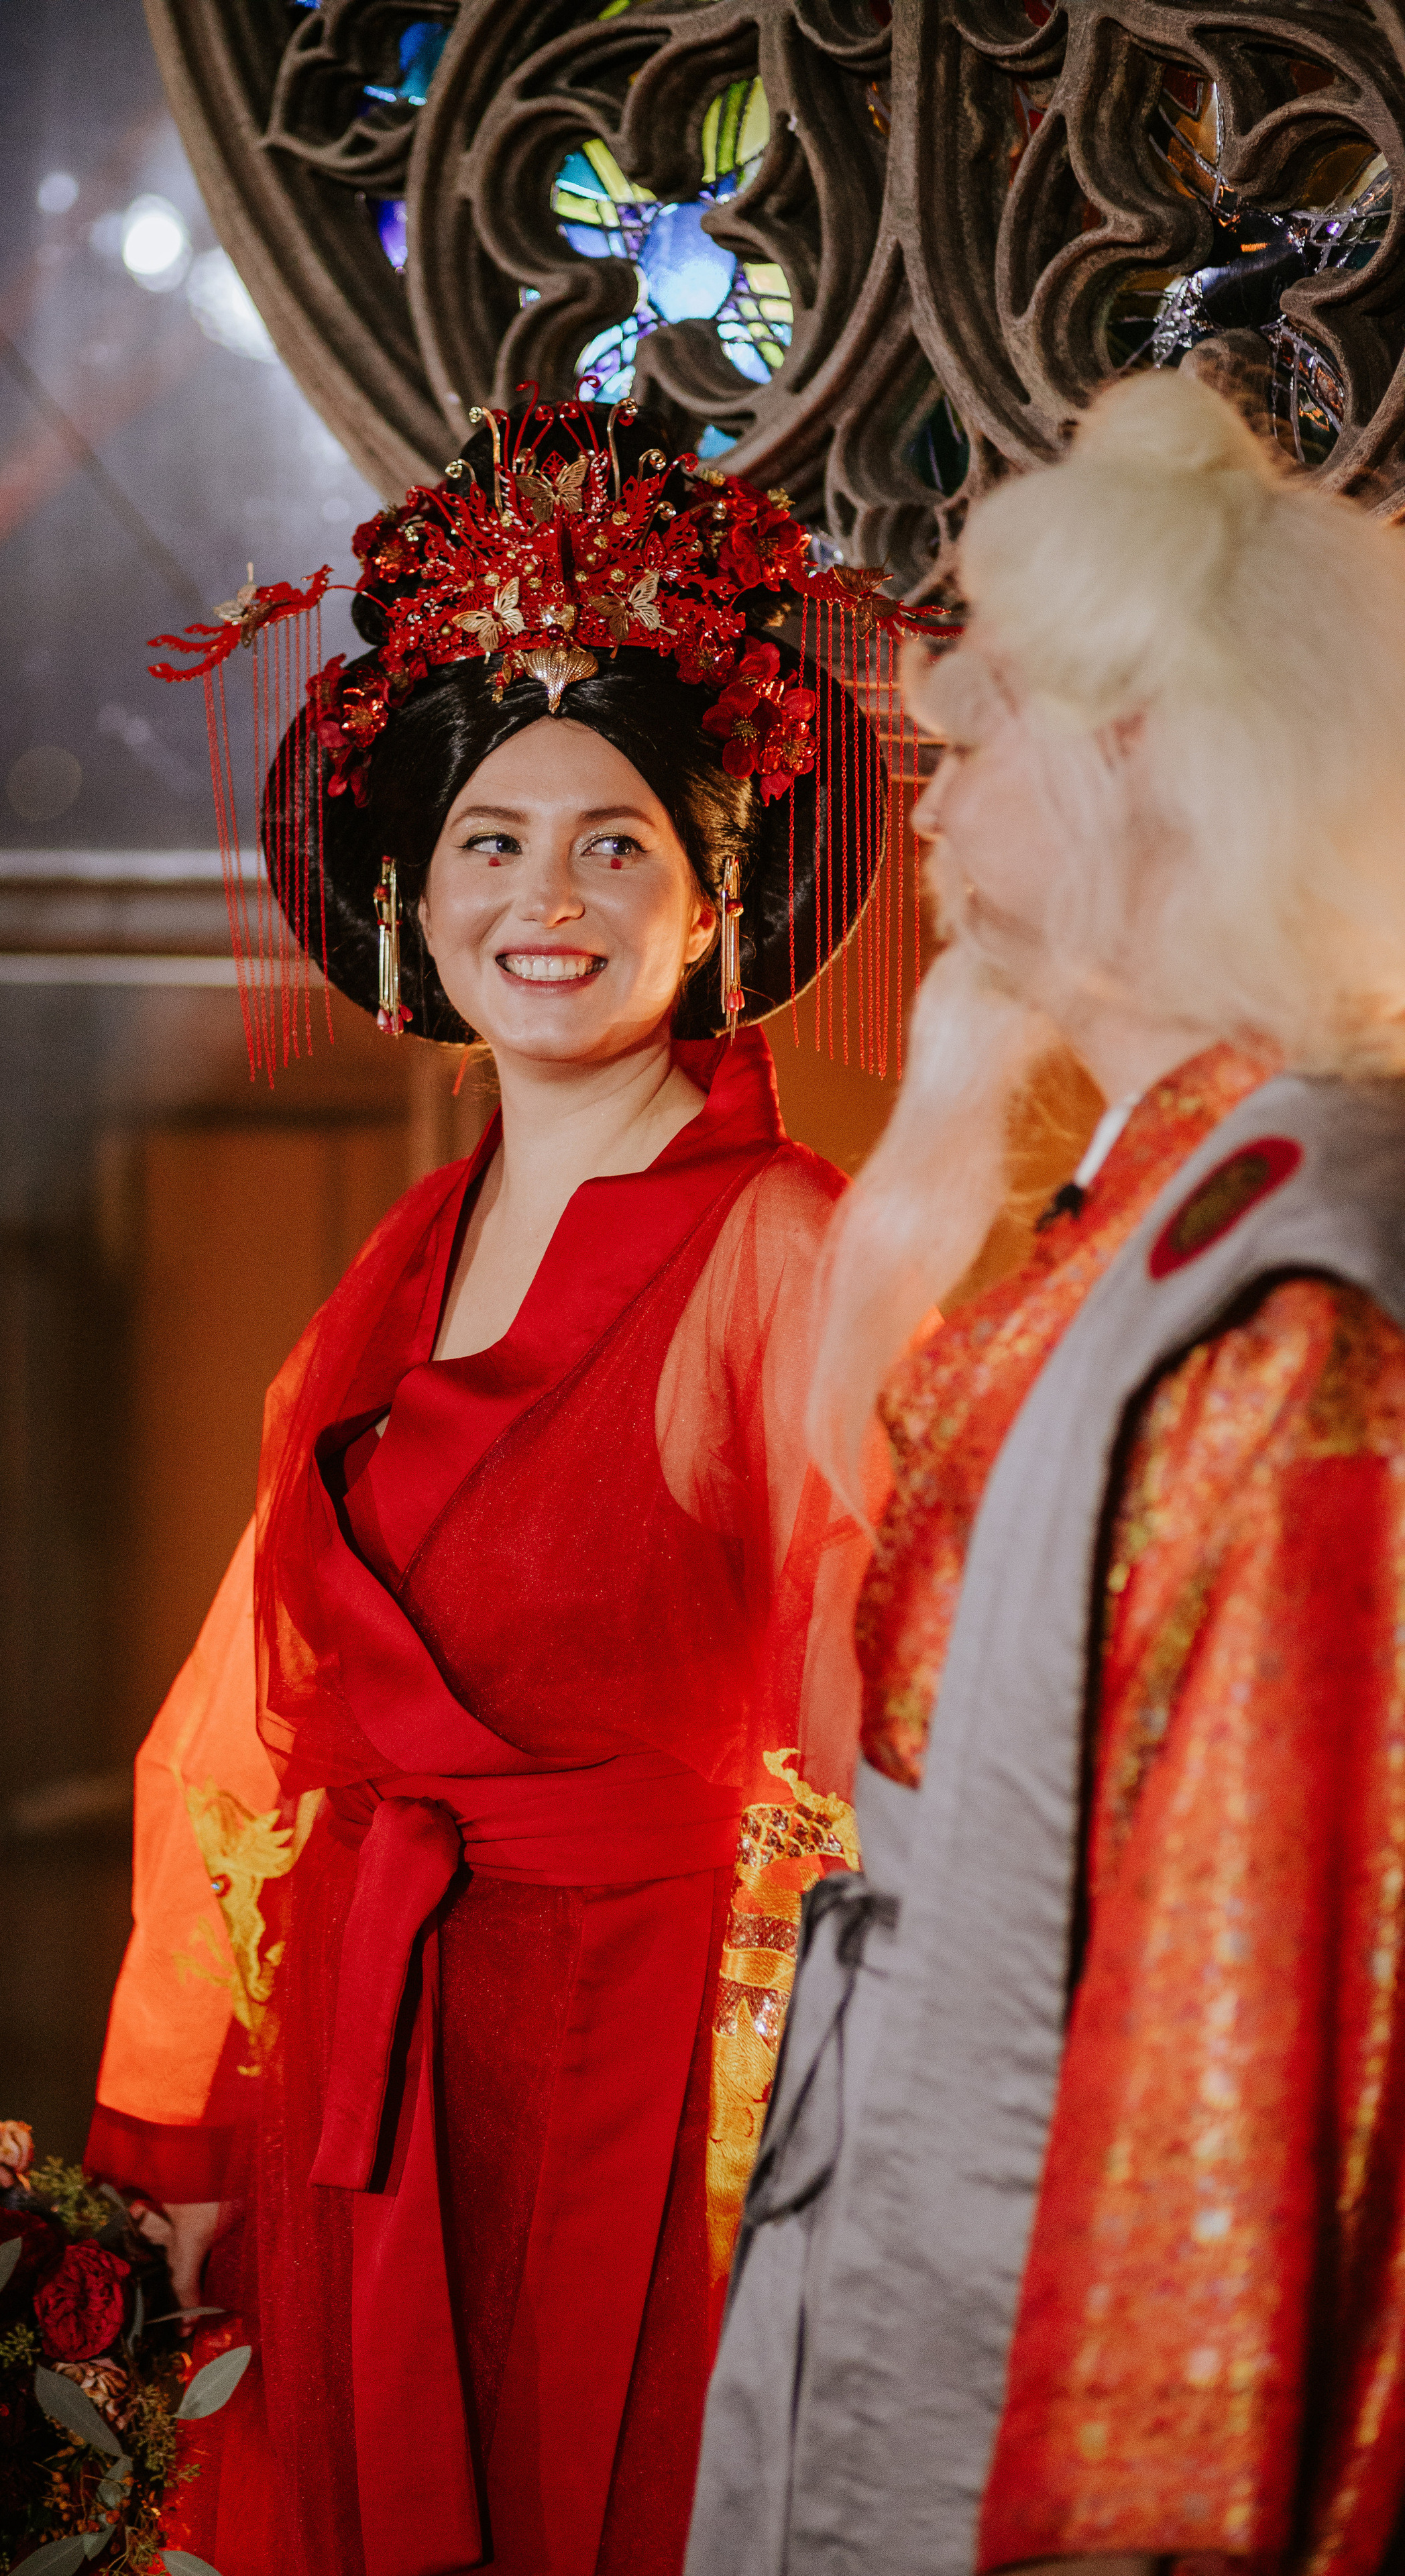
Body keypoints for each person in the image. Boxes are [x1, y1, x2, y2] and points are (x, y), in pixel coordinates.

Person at [86, 398, 906, 2576]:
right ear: (410, 897)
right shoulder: (383, 1276)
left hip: (639, 2086)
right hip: (363, 2044)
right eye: (490, 845)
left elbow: (889, 1719)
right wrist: (177, 2126)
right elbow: (235, 1733)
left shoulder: (788, 1252)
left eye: (616, 844)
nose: (548, 902)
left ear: (719, 898)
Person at [689, 368, 1405, 2576]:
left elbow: (1233, 2063)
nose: (925, 783)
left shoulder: (1285, 1327)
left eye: (976, 728)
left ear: (1140, 765)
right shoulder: (1136, 1226)